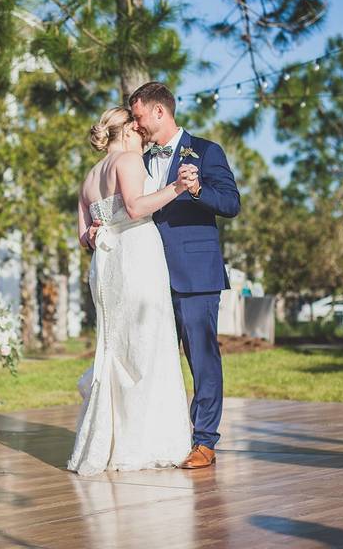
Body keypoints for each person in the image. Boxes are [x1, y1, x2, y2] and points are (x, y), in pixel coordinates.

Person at [70, 105, 196, 476]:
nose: (143, 137)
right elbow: (136, 207)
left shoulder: (88, 178)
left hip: (106, 265)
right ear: (126, 132)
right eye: (139, 132)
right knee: (146, 344)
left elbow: (84, 236)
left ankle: (109, 442)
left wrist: (97, 233)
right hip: (137, 255)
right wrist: (177, 187)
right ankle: (143, 442)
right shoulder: (127, 161)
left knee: (115, 345)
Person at [130, 81, 240, 469]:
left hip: (196, 276)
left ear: (160, 111)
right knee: (152, 358)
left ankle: (205, 441)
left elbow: (230, 202)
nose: (136, 124)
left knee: (201, 358)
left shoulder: (207, 151)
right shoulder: (137, 161)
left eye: (139, 116)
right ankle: (161, 436)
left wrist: (197, 190)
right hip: (150, 275)